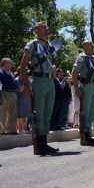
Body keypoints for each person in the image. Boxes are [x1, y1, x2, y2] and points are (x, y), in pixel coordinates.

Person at [20, 21, 59, 155]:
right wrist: (26, 85)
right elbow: (23, 65)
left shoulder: (49, 46)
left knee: (47, 113)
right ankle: (39, 145)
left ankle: (44, 142)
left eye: (47, 27)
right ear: (36, 30)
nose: (46, 29)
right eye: (43, 28)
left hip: (50, 80)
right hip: (39, 80)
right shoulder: (33, 44)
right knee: (39, 113)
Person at [71, 40, 94, 146]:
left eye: (92, 44)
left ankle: (88, 134)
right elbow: (74, 73)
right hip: (86, 86)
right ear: (83, 46)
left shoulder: (93, 58)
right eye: (89, 44)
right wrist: (76, 88)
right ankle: (84, 137)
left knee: (93, 111)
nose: (91, 46)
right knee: (85, 112)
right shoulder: (81, 57)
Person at [0, 58, 18, 135]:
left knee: (13, 113)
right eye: (10, 63)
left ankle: (12, 130)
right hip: (4, 93)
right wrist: (1, 96)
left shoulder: (10, 73)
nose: (11, 64)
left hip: (12, 93)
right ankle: (2, 131)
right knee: (3, 113)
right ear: (5, 63)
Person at [15, 67, 31, 133]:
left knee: (26, 115)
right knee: (20, 115)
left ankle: (24, 129)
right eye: (26, 71)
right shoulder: (17, 79)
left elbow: (30, 89)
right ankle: (19, 130)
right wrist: (25, 84)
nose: (27, 72)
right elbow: (20, 90)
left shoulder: (27, 79)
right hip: (20, 99)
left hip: (27, 99)